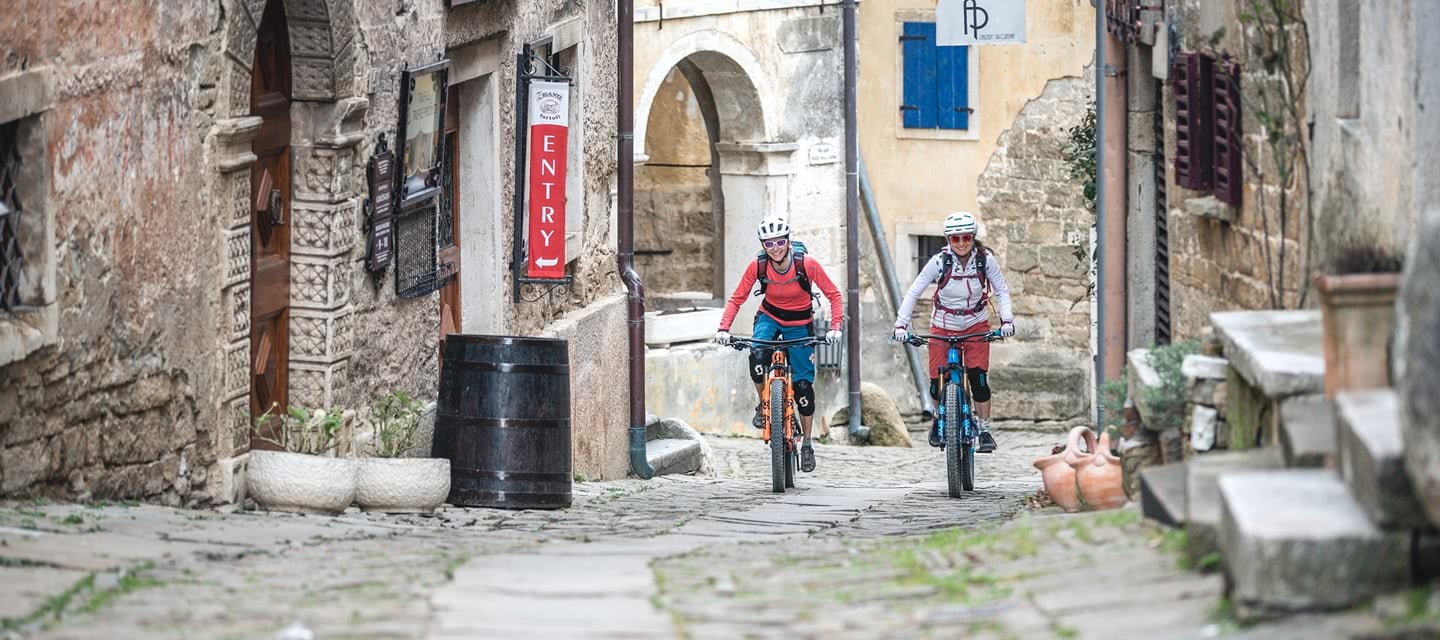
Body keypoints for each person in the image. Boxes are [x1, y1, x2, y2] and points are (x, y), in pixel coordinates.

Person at [715, 216, 844, 473]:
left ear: (788, 241)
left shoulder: (806, 264)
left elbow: (834, 295)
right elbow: (737, 298)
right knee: (757, 357)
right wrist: (723, 328)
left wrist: (836, 327)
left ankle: (807, 443)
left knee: (804, 389)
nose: (775, 248)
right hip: (770, 317)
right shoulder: (759, 266)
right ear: (763, 245)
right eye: (769, 243)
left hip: (800, 323)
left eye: (780, 242)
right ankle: (762, 406)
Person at [892, 212, 1015, 452]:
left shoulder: (984, 260)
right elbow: (914, 292)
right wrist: (901, 324)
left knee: (979, 380)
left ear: (973, 237)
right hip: (943, 324)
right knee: (936, 383)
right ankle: (940, 418)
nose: (961, 243)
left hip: (975, 324)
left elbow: (1001, 291)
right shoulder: (939, 262)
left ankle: (985, 429)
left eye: (966, 237)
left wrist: (1007, 320)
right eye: (955, 238)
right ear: (949, 239)